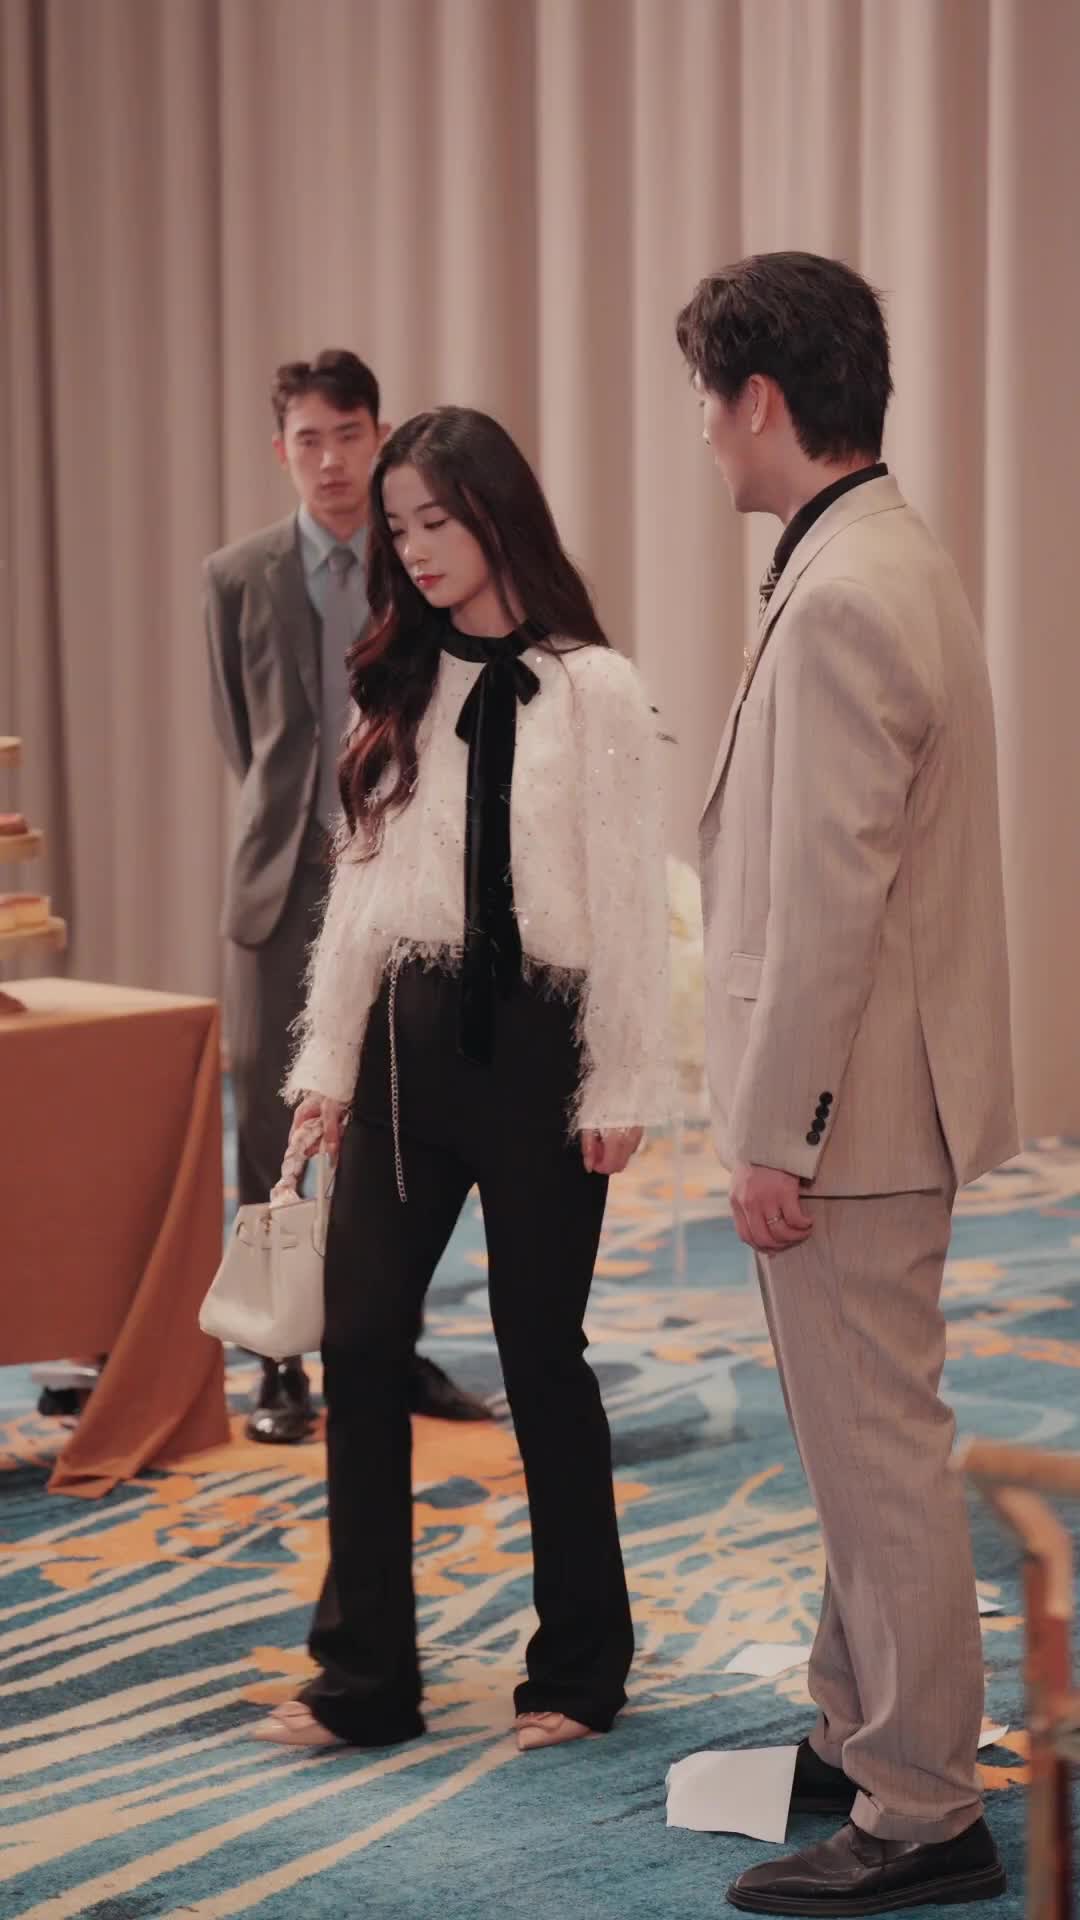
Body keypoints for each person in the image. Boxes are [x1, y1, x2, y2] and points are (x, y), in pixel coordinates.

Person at [251, 405, 672, 1753]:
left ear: (497, 512)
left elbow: (629, 900)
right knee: (362, 1337)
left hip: (543, 1049)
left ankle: (579, 1670)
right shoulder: (401, 678)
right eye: (400, 528)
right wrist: (326, 1063)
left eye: (437, 519)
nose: (417, 549)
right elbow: (361, 895)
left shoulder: (596, 688)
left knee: (542, 1355)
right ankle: (366, 1678)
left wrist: (622, 1080)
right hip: (406, 1044)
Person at [679, 253, 1017, 1914]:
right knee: (854, 1439)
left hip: (854, 1113)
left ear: (759, 401)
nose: (702, 436)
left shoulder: (841, 593)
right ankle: (861, 1717)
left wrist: (777, 1132)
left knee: (878, 1453)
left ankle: (925, 1809)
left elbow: (828, 902)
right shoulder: (884, 550)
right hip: (889, 1093)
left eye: (707, 401)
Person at [204, 351, 489, 1441]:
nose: (330, 461)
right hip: (285, 880)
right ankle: (276, 1358)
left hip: (403, 873)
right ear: (281, 451)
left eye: (349, 435)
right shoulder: (237, 576)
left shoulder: (415, 561)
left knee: (392, 1118)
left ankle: (388, 1343)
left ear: (379, 437)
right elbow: (245, 737)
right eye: (308, 441)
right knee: (268, 1119)